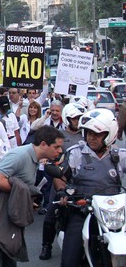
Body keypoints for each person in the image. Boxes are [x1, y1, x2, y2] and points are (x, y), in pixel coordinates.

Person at [0, 126, 64, 267]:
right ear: (44, 144)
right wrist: (24, 193)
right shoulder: (19, 155)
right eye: (56, 146)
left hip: (10, 215)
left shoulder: (35, 159)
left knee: (9, 256)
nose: (60, 151)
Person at [53, 108, 126, 267]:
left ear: (109, 134)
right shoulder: (76, 153)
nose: (91, 137)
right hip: (83, 210)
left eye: (97, 134)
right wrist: (61, 192)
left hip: (114, 213)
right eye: (88, 133)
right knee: (69, 259)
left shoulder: (119, 155)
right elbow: (60, 177)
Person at [38, 102, 85, 259]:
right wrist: (60, 189)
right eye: (74, 118)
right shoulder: (58, 136)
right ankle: (46, 246)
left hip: (81, 183)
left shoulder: (86, 135)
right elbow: (53, 161)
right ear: (67, 118)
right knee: (52, 211)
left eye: (80, 118)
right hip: (61, 179)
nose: (77, 121)